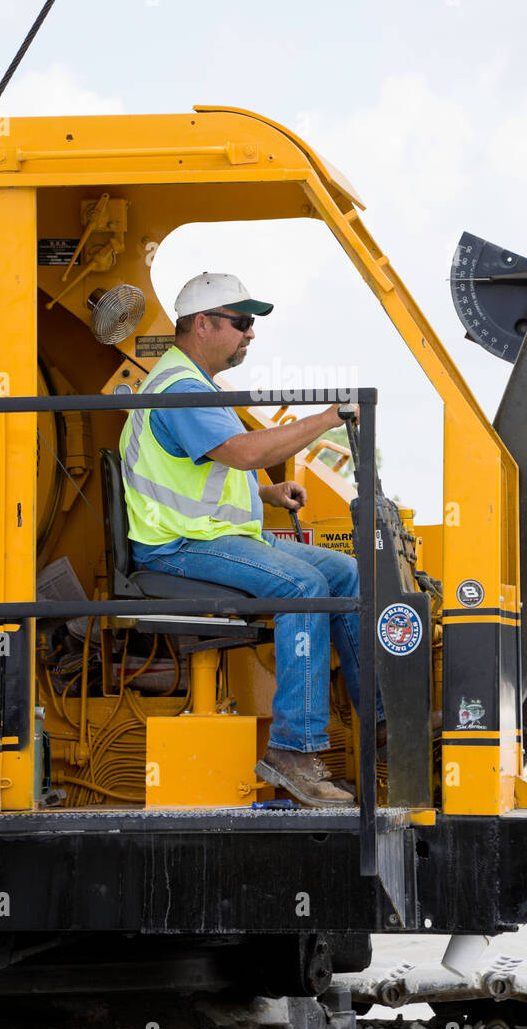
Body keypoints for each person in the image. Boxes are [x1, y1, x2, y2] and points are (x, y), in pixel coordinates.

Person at [119, 271, 384, 805]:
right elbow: (241, 452)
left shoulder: (194, 385)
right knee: (305, 587)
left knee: (346, 573)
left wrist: (266, 494)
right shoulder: (183, 390)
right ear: (203, 324)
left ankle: (379, 725)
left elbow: (204, 471)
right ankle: (293, 750)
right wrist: (329, 417)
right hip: (178, 547)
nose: (251, 335)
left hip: (209, 533)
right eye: (241, 323)